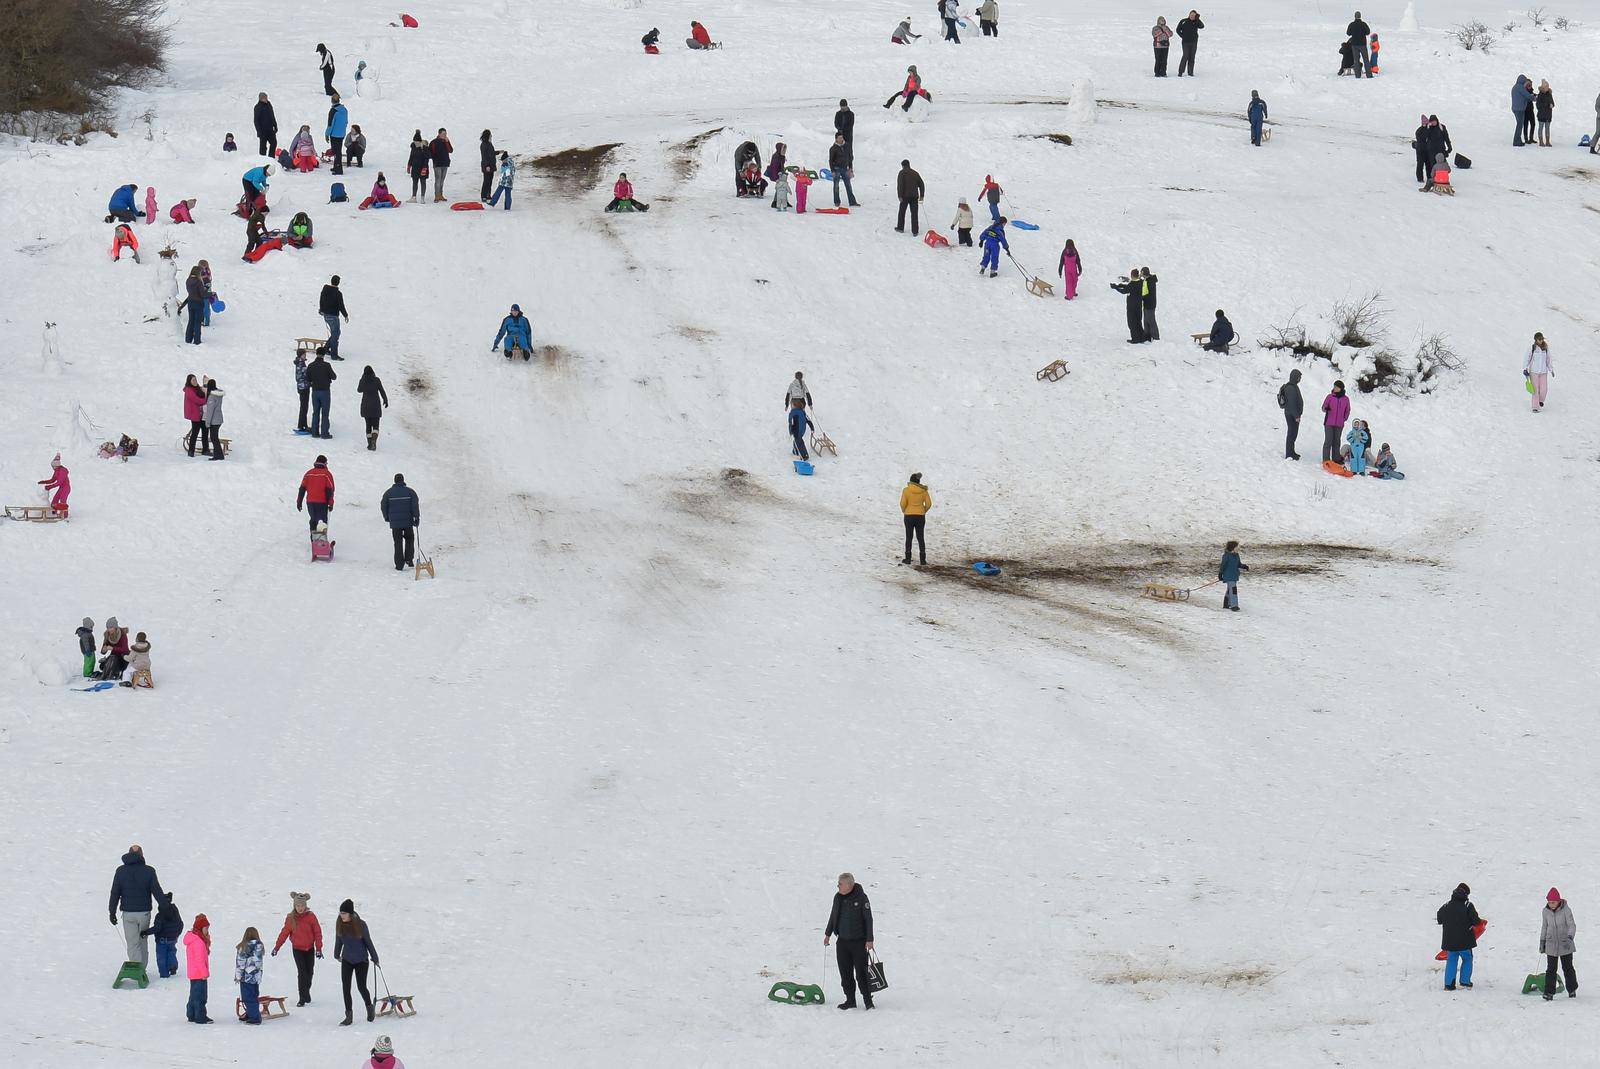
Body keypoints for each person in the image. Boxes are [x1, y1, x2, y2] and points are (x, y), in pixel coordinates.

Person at [823, 873, 875, 1010]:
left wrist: (870, 939)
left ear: (849, 885)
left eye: (840, 884)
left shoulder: (862, 898)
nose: (838, 886)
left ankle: (868, 1001)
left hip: (859, 942)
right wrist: (827, 934)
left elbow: (868, 919)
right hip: (842, 942)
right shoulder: (838, 897)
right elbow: (833, 915)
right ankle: (850, 1000)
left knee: (861, 974)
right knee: (845, 973)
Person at [110, 845, 166, 968]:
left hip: (128, 913)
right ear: (141, 855)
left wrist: (112, 912)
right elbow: (157, 891)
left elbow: (115, 893)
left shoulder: (120, 871)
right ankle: (142, 969)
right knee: (142, 940)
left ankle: (136, 968)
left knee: (132, 943)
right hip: (144, 913)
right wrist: (165, 907)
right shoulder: (149, 871)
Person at [271, 892, 324, 1007]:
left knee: (310, 972)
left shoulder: (311, 916)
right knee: (302, 973)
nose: (300, 908)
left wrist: (319, 948)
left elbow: (317, 932)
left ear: (305, 906)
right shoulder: (291, 918)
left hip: (309, 948)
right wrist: (277, 947)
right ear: (294, 906)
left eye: (302, 906)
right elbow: (284, 933)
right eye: (298, 906)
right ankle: (302, 998)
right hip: (297, 949)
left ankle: (306, 992)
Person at [335, 900, 380, 1026]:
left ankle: (369, 1007)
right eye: (340, 913)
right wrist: (336, 954)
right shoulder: (340, 924)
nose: (341, 915)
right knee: (346, 987)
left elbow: (368, 942)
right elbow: (338, 940)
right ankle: (348, 1016)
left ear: (350, 913)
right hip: (347, 959)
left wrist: (375, 957)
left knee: (361, 986)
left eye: (344, 913)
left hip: (361, 960)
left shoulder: (361, 925)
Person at [1436, 883, 1481, 990]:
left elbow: (1439, 919)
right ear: (1466, 894)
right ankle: (1465, 981)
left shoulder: (1446, 905)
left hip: (1450, 941)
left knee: (1451, 960)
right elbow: (1476, 921)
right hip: (1465, 941)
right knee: (1467, 959)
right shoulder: (1467, 905)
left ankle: (1449, 985)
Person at [1541, 888, 1578, 1000]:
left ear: (1558, 901)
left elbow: (1572, 925)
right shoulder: (1545, 911)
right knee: (1551, 969)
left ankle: (1572, 989)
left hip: (1565, 943)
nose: (1551, 904)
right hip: (1551, 944)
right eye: (1549, 902)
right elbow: (1544, 927)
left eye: (1553, 902)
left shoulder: (1566, 910)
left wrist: (1570, 937)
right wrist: (1542, 942)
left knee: (1567, 968)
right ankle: (1549, 992)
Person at [380, 474, 420, 571]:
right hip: (408, 521)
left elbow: (383, 505)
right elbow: (415, 505)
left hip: (395, 523)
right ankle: (409, 559)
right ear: (403, 480)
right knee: (409, 539)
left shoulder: (388, 493)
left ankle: (399, 564)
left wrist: (386, 517)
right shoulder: (410, 492)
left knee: (397, 542)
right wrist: (416, 517)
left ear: (394, 481)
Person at [185, 914, 213, 1023]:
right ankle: (200, 1016)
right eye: (206, 928)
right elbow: (199, 960)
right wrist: (204, 973)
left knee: (194, 995)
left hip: (194, 972)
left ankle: (191, 1014)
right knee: (201, 996)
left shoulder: (195, 938)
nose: (207, 931)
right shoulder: (198, 942)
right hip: (199, 973)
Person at [298, 456, 336, 533]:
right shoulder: (327, 474)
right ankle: (321, 540)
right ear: (325, 463)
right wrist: (330, 503)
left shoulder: (308, 473)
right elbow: (330, 490)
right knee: (322, 521)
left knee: (313, 519)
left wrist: (299, 502)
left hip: (310, 502)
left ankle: (314, 539)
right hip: (322, 502)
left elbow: (302, 489)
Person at [900, 473, 930, 565]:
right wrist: (923, 510)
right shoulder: (924, 491)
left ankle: (908, 558)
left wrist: (905, 511)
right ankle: (923, 559)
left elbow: (902, 504)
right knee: (920, 537)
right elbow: (929, 504)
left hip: (909, 516)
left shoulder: (906, 490)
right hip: (920, 516)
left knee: (909, 537)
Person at [236, 927, 265, 1025]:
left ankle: (255, 1017)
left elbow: (240, 964)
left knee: (247, 997)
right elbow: (258, 963)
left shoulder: (243, 947)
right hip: (256, 977)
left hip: (246, 977)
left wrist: (238, 976)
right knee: (254, 995)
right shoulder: (259, 946)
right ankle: (250, 1013)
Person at [149, 892, 182, 976]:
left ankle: (164, 974)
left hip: (162, 941)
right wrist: (176, 934)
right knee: (171, 952)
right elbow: (180, 924)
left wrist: (145, 932)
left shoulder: (160, 915)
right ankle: (173, 966)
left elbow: (157, 928)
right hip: (172, 939)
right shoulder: (175, 913)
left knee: (161, 958)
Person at [357, 366, 388, 450]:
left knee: (368, 426)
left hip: (366, 406)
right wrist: (385, 399)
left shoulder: (363, 381)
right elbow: (382, 390)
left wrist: (362, 378)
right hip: (375, 406)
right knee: (376, 426)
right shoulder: (376, 380)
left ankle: (370, 443)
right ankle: (374, 440)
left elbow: (359, 390)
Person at [1111, 272, 1147, 343]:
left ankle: (1135, 339)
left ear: (1132, 276)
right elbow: (1129, 288)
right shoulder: (1140, 282)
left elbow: (1124, 291)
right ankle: (1142, 337)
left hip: (1132, 307)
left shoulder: (1132, 284)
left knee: (1132, 323)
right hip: (1139, 306)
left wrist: (1116, 287)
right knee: (1138, 322)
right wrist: (1121, 285)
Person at [1321, 380, 1350, 462]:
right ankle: (1326, 460)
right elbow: (1323, 407)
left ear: (1341, 388)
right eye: (1334, 386)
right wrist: (1325, 408)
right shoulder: (1330, 396)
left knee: (1336, 442)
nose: (1334, 388)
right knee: (1328, 441)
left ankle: (1336, 459)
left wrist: (1344, 418)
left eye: (1336, 387)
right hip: (1329, 423)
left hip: (1339, 424)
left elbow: (1347, 410)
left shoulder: (1346, 399)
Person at [321, 275, 349, 361]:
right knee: (336, 334)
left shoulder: (325, 290)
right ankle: (334, 354)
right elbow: (341, 306)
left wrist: (322, 310)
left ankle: (326, 349)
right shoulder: (338, 294)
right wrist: (345, 315)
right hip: (333, 316)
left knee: (335, 333)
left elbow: (321, 300)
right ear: (338, 283)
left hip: (326, 314)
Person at [1277, 369, 1303, 459]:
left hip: (1291, 413)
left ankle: (1292, 452)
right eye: (1299, 377)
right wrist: (1296, 416)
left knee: (1293, 433)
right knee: (1292, 433)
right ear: (1295, 377)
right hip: (1291, 414)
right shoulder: (1291, 388)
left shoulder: (1293, 386)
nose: (1300, 379)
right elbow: (1292, 403)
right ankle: (1289, 454)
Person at [1524, 332, 1552, 412]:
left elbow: (1548, 359)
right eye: (1539, 339)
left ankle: (1541, 401)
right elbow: (1527, 358)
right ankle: (1535, 407)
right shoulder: (1532, 348)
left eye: (1542, 339)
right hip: (1534, 372)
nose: (1541, 340)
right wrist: (1525, 368)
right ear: (1536, 340)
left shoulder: (1545, 348)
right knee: (1535, 390)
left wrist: (1551, 369)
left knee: (1544, 389)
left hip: (1543, 372)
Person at [895, 159, 925, 235]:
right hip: (914, 196)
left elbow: (900, 185)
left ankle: (900, 228)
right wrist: (921, 195)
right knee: (914, 214)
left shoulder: (902, 173)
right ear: (909, 165)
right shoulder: (915, 173)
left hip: (905, 196)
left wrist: (899, 196)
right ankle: (915, 231)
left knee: (902, 212)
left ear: (903, 165)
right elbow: (922, 184)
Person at [829, 134, 858, 208]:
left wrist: (850, 168)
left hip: (845, 168)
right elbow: (831, 161)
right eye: (839, 138)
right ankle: (837, 202)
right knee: (836, 186)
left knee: (848, 185)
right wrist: (832, 170)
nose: (841, 139)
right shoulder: (833, 148)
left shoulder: (847, 146)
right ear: (836, 139)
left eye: (842, 137)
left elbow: (850, 157)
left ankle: (852, 201)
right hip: (837, 169)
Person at [1218, 540, 1247, 611]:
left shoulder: (1236, 555)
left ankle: (1226, 603)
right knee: (1233, 589)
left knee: (1230, 589)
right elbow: (1223, 566)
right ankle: (1234, 605)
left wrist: (1244, 566)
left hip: (1234, 575)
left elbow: (1238, 564)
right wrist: (1220, 573)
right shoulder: (1226, 556)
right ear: (1232, 548)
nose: (1238, 549)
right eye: (1237, 547)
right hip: (1228, 576)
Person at [182, 374, 207, 456]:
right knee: (195, 433)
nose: (195, 381)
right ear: (189, 381)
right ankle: (191, 451)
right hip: (195, 414)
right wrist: (206, 399)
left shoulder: (197, 388)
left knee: (205, 432)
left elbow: (204, 391)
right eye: (193, 380)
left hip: (201, 414)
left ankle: (205, 450)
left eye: (196, 380)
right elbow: (197, 400)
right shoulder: (189, 390)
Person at [202, 379, 225, 461]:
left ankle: (218, 456)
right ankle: (219, 455)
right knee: (215, 438)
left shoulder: (212, 397)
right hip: (219, 419)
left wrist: (207, 422)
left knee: (213, 438)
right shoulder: (219, 395)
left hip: (214, 420)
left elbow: (210, 411)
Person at [326, 94, 349, 175]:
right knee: (338, 151)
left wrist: (327, 134)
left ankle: (338, 169)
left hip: (334, 135)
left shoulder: (333, 111)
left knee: (336, 152)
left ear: (332, 101)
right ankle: (336, 166)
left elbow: (330, 125)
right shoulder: (345, 110)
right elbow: (346, 122)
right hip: (342, 134)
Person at [429, 128, 453, 202]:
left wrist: (447, 142)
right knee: (438, 180)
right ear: (439, 134)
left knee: (442, 180)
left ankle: (440, 194)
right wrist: (435, 159)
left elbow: (450, 150)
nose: (444, 135)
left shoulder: (445, 141)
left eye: (445, 134)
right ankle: (437, 195)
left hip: (445, 163)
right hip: (437, 164)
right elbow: (430, 153)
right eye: (443, 134)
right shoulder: (433, 142)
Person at [1175, 10, 1203, 75]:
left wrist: (1198, 19)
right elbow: (1178, 30)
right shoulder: (1183, 21)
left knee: (1192, 57)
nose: (1192, 16)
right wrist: (1183, 36)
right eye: (1191, 14)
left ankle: (1190, 72)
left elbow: (1202, 26)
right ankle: (1180, 72)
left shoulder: (1196, 22)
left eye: (1194, 15)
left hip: (1194, 42)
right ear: (1189, 14)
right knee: (1185, 56)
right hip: (1185, 42)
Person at [406, 131, 429, 202]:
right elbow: (411, 156)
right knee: (414, 182)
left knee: (423, 182)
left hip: (423, 168)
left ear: (420, 141)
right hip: (415, 168)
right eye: (414, 142)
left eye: (417, 142)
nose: (416, 143)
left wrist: (424, 168)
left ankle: (422, 197)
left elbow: (426, 158)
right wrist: (409, 165)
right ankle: (414, 197)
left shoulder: (424, 148)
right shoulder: (413, 147)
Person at [1347, 12, 1371, 78]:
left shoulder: (1351, 24)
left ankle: (1357, 75)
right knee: (1366, 60)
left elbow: (1348, 33)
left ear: (1354, 16)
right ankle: (1369, 75)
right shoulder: (1363, 24)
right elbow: (1368, 32)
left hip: (1354, 44)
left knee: (1356, 60)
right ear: (1360, 16)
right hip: (1363, 44)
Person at [253, 92, 278, 157]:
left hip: (270, 129)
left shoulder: (269, 104)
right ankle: (262, 160)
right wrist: (259, 131)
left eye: (266, 97)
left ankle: (271, 157)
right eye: (264, 98)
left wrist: (275, 125)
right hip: (262, 131)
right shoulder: (257, 107)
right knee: (263, 147)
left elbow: (272, 115)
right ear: (261, 99)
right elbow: (256, 121)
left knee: (274, 143)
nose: (266, 99)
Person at [294, 349, 312, 433]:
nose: (305, 356)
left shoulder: (300, 362)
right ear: (301, 355)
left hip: (302, 386)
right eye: (304, 354)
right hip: (303, 387)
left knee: (304, 406)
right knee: (304, 407)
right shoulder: (301, 364)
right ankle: (301, 425)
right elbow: (302, 376)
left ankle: (304, 424)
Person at [1139, 267, 1160, 341]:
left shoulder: (1149, 282)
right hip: (1147, 303)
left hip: (1150, 304)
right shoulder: (1147, 280)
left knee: (1151, 320)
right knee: (1146, 320)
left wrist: (1141, 298)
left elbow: (1147, 293)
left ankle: (1155, 336)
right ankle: (1147, 335)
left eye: (1141, 273)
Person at [1513, 76, 1534, 146]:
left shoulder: (1515, 87)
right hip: (1520, 109)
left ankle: (1517, 140)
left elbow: (1522, 97)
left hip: (1515, 109)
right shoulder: (1520, 87)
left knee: (1519, 125)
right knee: (1519, 125)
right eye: (1525, 81)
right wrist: (1535, 98)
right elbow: (1528, 96)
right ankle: (1516, 141)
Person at [479, 129, 497, 201]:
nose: (491, 136)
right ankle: (483, 195)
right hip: (487, 166)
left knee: (490, 181)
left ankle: (488, 195)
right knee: (486, 181)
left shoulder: (489, 144)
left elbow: (491, 153)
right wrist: (487, 166)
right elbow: (484, 156)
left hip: (491, 165)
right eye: (490, 135)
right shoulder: (483, 144)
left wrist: (498, 152)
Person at [1536, 80, 1555, 147]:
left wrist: (1552, 104)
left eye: (1547, 86)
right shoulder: (1540, 95)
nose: (1547, 88)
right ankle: (1541, 141)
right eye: (1546, 87)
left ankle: (1547, 141)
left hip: (1548, 115)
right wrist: (1547, 105)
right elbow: (1538, 105)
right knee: (1540, 128)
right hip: (1541, 115)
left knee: (1547, 128)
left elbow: (1553, 102)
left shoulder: (1549, 94)